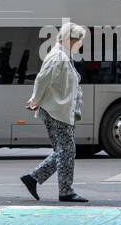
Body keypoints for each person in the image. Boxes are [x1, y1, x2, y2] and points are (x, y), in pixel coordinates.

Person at [21, 23, 89, 203]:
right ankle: (65, 192)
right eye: (79, 40)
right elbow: (42, 79)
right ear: (71, 39)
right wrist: (35, 101)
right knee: (67, 150)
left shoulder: (64, 55)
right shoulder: (58, 57)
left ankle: (33, 178)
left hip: (61, 110)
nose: (81, 44)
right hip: (56, 111)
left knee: (64, 150)